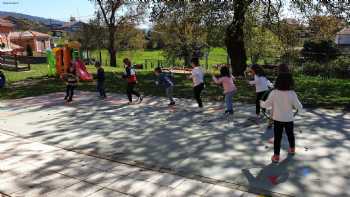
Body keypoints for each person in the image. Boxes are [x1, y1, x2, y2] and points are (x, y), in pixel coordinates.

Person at [260, 71, 303, 163]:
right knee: (290, 134)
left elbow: (266, 105)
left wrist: (261, 103)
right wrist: (298, 109)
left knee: (277, 138)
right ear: (290, 82)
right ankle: (292, 149)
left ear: (278, 81)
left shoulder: (274, 93)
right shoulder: (292, 93)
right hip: (289, 119)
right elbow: (299, 107)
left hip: (278, 119)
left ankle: (276, 156)